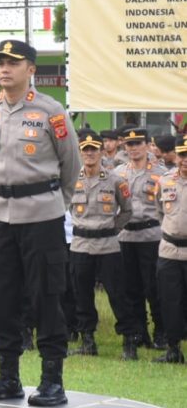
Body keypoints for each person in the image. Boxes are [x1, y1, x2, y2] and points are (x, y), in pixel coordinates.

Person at [0, 39, 79, 407]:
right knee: (1, 295)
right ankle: (8, 378)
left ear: (31, 69)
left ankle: (52, 380)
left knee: (46, 296)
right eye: (1, 62)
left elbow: (72, 167)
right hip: (0, 215)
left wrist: (54, 203)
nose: (4, 69)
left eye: (13, 62)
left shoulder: (51, 111)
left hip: (42, 217)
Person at [68, 130, 137, 358]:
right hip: (80, 246)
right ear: (80, 152)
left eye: (93, 150)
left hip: (107, 246)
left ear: (100, 152)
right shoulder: (70, 180)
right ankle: (88, 341)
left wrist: (111, 229)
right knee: (82, 296)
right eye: (85, 150)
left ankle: (129, 342)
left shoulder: (116, 180)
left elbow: (127, 210)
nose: (89, 154)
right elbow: (66, 205)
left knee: (118, 294)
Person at [114, 126, 167, 349]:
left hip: (151, 236)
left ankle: (161, 332)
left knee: (154, 287)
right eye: (129, 144)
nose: (134, 148)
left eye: (138, 143)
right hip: (126, 237)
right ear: (124, 147)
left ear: (147, 145)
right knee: (130, 288)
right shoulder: (118, 173)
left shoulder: (162, 173)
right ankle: (138, 332)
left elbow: (167, 207)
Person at [155, 137, 187, 364]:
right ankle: (173, 348)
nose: (185, 160)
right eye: (182, 155)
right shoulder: (165, 181)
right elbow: (160, 210)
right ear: (176, 156)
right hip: (169, 251)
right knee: (170, 301)